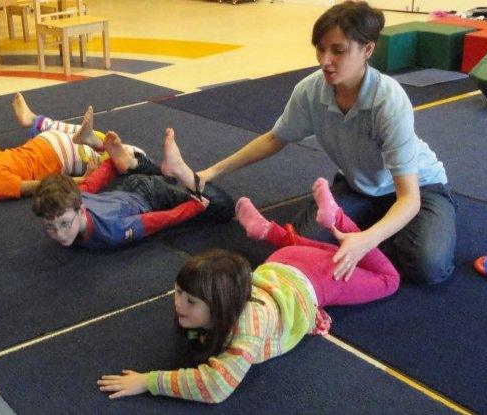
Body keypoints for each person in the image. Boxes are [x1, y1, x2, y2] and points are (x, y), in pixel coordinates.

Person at [194, 1, 456, 284]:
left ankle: (386, 230)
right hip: (360, 186)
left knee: (427, 265)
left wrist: (366, 241)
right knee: (301, 245)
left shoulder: (388, 101)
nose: (324, 60)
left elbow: (409, 198)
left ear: (367, 50)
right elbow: (274, 138)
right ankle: (375, 229)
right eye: (320, 48)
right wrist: (210, 172)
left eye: (338, 50)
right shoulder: (310, 91)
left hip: (420, 188)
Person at [97, 178, 400, 403]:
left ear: (220, 305)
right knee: (324, 252)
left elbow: (214, 388)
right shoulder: (221, 298)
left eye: (189, 300)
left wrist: (149, 381)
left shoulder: (248, 330)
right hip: (285, 264)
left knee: (389, 279)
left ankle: (337, 221)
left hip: (306, 275)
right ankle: (277, 231)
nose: (178, 305)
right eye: (177, 293)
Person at [0, 93, 140, 211]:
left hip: (61, 157)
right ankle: (35, 121)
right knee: (82, 136)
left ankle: (95, 144)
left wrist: (83, 180)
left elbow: (38, 185)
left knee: (132, 157)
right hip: (44, 142)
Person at [32, 128, 234, 249]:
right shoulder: (75, 197)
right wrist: (110, 163)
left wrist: (193, 208)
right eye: (50, 227)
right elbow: (92, 182)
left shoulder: (110, 232)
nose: (59, 234)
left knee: (224, 208)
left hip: (151, 194)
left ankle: (179, 171)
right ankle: (132, 164)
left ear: (81, 209)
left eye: (65, 224)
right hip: (129, 187)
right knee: (162, 176)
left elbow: (157, 220)